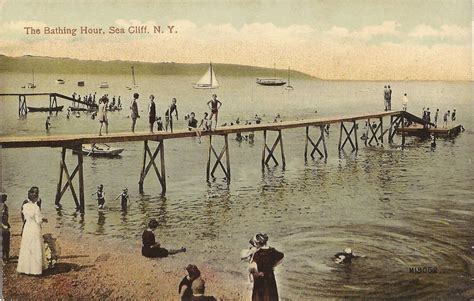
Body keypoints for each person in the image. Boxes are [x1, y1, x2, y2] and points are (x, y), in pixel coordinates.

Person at [17, 187, 48, 275]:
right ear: (36, 197)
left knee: (27, 247)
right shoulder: (36, 208)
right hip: (34, 227)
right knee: (35, 247)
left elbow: (24, 216)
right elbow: (38, 220)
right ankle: (35, 269)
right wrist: (44, 220)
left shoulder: (25, 206)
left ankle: (25, 268)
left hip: (27, 227)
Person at [247, 233, 284, 301]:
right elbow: (281, 257)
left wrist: (255, 274)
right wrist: (273, 265)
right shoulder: (272, 251)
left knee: (260, 297)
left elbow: (252, 268)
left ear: (257, 244)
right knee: (271, 296)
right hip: (270, 277)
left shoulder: (257, 254)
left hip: (260, 279)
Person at [1, 193, 11, 262]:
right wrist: (4, 225)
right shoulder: (3, 206)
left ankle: (6, 257)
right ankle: (5, 257)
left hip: (4, 224)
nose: (6, 198)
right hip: (3, 226)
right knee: (5, 242)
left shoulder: (4, 206)